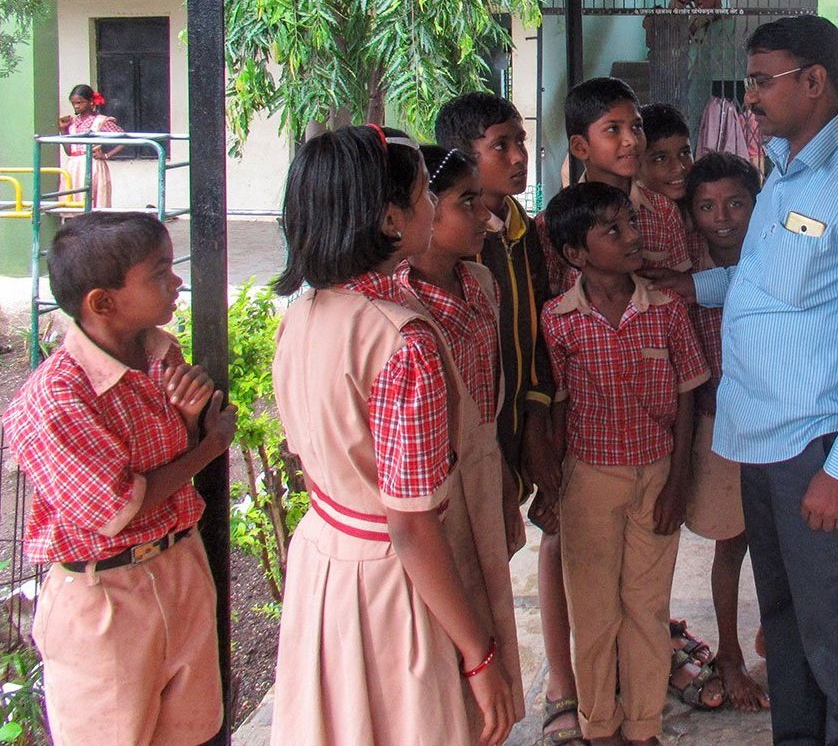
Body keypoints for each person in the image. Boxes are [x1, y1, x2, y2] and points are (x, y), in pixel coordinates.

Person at [650, 14, 838, 743]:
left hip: (820, 444)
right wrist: (695, 289)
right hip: (763, 443)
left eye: (764, 80)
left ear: (814, 81)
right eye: (750, 81)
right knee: (788, 623)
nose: (750, 97)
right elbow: (775, 282)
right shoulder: (782, 166)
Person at [269, 125, 521, 746]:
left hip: (325, 559)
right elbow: (410, 526)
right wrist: (478, 654)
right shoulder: (404, 340)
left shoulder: (303, 314)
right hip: (393, 586)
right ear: (390, 220)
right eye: (423, 196)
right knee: (412, 720)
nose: (435, 207)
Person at [1, 211, 236, 745]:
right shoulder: (58, 397)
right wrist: (209, 446)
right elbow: (119, 508)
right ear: (102, 303)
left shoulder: (159, 354)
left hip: (178, 566)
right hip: (104, 597)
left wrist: (190, 418)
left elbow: (159, 456)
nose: (176, 281)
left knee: (196, 731)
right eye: (159, 272)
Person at [434, 94, 583, 746]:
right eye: (502, 145)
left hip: (513, 429)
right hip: (462, 448)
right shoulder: (447, 248)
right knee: (463, 576)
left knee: (494, 564)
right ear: (464, 157)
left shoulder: (523, 231)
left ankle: (496, 705)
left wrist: (538, 414)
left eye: (520, 141)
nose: (520, 156)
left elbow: (537, 328)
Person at [541, 182, 709, 745]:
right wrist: (552, 484)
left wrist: (679, 481)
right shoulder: (558, 320)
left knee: (646, 608)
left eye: (630, 223)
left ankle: (643, 726)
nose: (632, 236)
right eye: (612, 230)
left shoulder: (664, 309)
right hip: (588, 480)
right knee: (593, 615)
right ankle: (599, 725)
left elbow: (688, 393)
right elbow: (556, 408)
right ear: (575, 255)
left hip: (657, 475)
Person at [398, 144, 528, 559]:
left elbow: (487, 407)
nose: (484, 217)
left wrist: (503, 478)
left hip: (486, 472)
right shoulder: (400, 307)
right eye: (467, 203)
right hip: (432, 497)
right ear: (425, 208)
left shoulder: (482, 282)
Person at [680, 151, 770, 712]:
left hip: (779, 419)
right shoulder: (683, 272)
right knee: (730, 543)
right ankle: (730, 656)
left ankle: (777, 634)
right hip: (718, 423)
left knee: (783, 539)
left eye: (736, 203)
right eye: (707, 206)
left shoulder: (773, 255)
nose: (723, 218)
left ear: (757, 205)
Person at [537, 78, 691, 296]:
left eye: (637, 127)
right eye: (612, 129)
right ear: (580, 147)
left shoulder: (664, 212)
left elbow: (680, 292)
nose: (631, 140)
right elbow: (551, 299)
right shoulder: (551, 223)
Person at [637, 102, 701, 265]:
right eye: (660, 158)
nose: (679, 167)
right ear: (636, 165)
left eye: (685, 153)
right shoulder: (635, 218)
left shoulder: (701, 205)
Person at [58, 84, 125, 208]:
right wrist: (63, 131)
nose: (76, 106)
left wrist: (106, 155)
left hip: (93, 164)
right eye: (73, 103)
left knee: (94, 201)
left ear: (91, 102)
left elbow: (123, 139)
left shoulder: (101, 121)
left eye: (80, 102)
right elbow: (69, 151)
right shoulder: (71, 122)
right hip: (73, 166)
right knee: (72, 201)